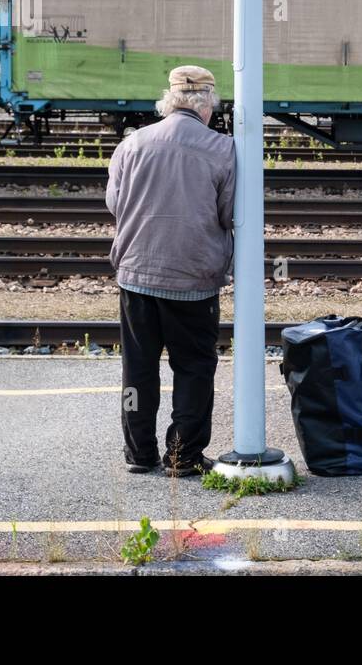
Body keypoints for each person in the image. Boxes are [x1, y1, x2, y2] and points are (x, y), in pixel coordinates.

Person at [105, 65, 235, 476]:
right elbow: (231, 214)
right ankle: (183, 456)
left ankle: (138, 454)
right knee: (194, 369)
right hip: (193, 281)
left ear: (169, 100)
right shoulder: (222, 149)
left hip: (136, 276)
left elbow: (115, 203)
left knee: (137, 367)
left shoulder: (132, 144)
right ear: (207, 104)